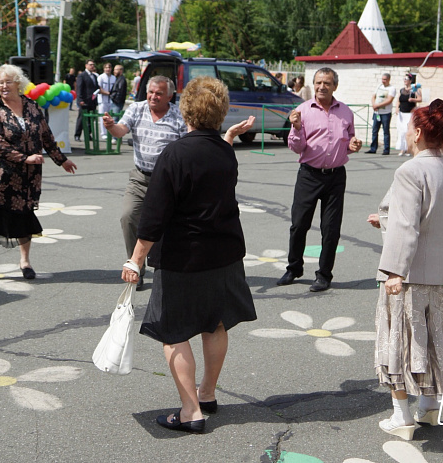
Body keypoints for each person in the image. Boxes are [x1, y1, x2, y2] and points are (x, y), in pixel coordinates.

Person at [120, 77, 257, 434]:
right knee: (215, 323)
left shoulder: (176, 153)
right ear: (221, 111)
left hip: (184, 256)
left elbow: (153, 216)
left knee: (174, 332)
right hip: (225, 252)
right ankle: (207, 393)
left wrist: (135, 259)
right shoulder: (226, 151)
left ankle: (189, 410)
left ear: (186, 110)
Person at [367, 100, 443, 438]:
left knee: (399, 342)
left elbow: (407, 228)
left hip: (410, 274)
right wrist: (384, 218)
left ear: (416, 132)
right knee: (433, 342)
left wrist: (394, 271)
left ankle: (402, 416)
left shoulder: (409, 170)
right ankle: (429, 409)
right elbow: (436, 218)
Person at [0, 64, 77, 283]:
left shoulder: (33, 107)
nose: (4, 86)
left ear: (18, 83)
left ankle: (25, 262)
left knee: (24, 216)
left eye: (8, 82)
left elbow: (46, 136)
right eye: (0, 82)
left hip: (27, 175)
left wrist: (61, 160)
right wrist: (24, 157)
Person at [278, 68, 362, 292]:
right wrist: (296, 128)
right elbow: (297, 147)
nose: (321, 87)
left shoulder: (345, 112)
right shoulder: (303, 111)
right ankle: (294, 268)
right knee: (298, 225)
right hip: (309, 175)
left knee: (331, 228)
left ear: (335, 86)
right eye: (318, 82)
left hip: (335, 177)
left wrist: (353, 145)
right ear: (313, 84)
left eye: (326, 83)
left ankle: (324, 275)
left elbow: (350, 141)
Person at [104, 76, 192, 289]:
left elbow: (188, 146)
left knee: (170, 227)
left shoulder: (179, 115)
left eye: (159, 93)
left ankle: (170, 269)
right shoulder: (137, 109)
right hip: (140, 178)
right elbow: (120, 131)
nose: (153, 96)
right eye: (151, 92)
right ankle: (137, 266)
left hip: (169, 181)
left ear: (169, 96)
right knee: (128, 217)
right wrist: (110, 126)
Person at [368, 73, 396, 155]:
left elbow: (389, 100)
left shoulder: (392, 88)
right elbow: (373, 96)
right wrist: (374, 105)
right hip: (377, 112)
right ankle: (373, 148)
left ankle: (386, 149)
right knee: (374, 130)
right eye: (382, 79)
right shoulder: (379, 86)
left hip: (385, 113)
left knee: (386, 131)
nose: (383, 81)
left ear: (388, 80)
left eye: (385, 79)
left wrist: (378, 105)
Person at [395, 74, 421, 156]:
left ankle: (409, 149)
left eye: (406, 79)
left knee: (408, 131)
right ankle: (402, 149)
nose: (405, 80)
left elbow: (420, 99)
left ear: (410, 80)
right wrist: (396, 108)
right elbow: (398, 100)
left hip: (410, 113)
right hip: (402, 113)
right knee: (401, 131)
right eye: (404, 79)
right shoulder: (401, 90)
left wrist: (413, 99)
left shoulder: (414, 89)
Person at [73, 59, 98, 143]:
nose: (92, 66)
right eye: (90, 64)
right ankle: (77, 135)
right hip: (84, 101)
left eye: (93, 65)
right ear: (86, 65)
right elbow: (79, 88)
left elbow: (96, 88)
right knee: (81, 119)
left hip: (92, 101)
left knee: (91, 119)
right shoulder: (82, 75)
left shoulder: (94, 76)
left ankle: (88, 134)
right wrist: (80, 99)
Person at [97, 62, 114, 138]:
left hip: (111, 100)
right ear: (104, 69)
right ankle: (103, 133)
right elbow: (99, 88)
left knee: (110, 117)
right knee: (102, 117)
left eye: (109, 68)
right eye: (106, 68)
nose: (108, 69)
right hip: (102, 100)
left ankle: (109, 132)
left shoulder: (114, 78)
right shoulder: (101, 77)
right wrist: (107, 93)